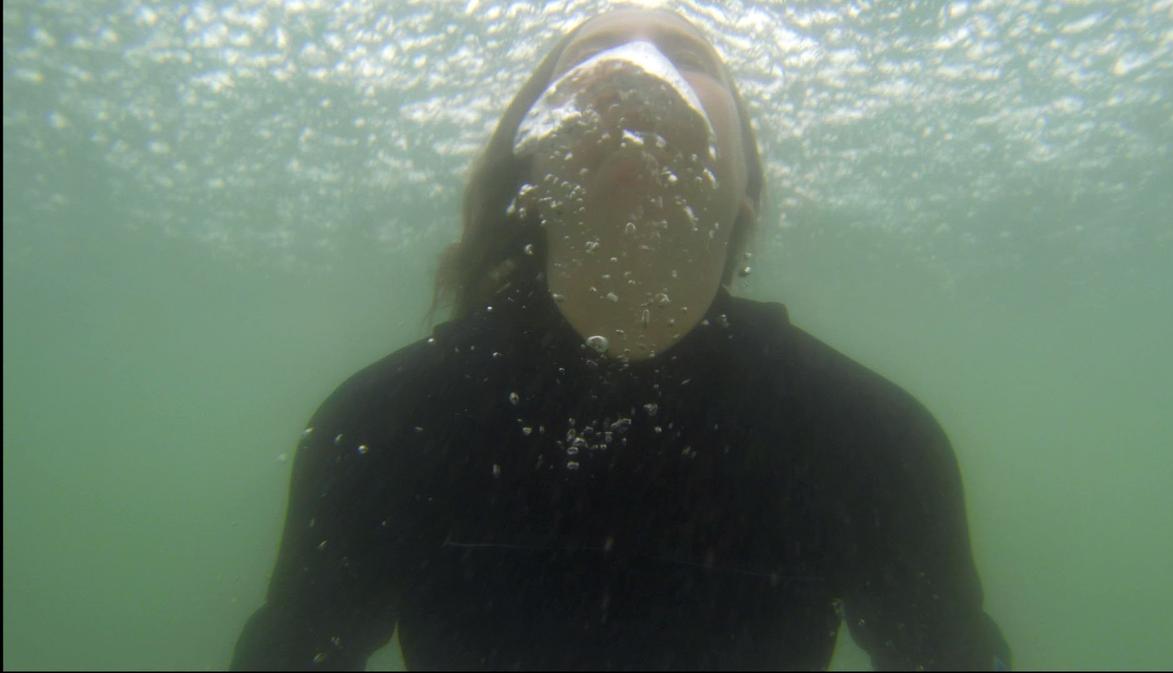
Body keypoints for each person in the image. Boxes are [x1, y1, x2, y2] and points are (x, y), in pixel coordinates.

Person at [232, 7, 1011, 671]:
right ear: (529, 172)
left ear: (746, 186)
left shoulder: (872, 443)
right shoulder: (385, 425)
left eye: (688, 57)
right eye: (588, 57)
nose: (636, 72)